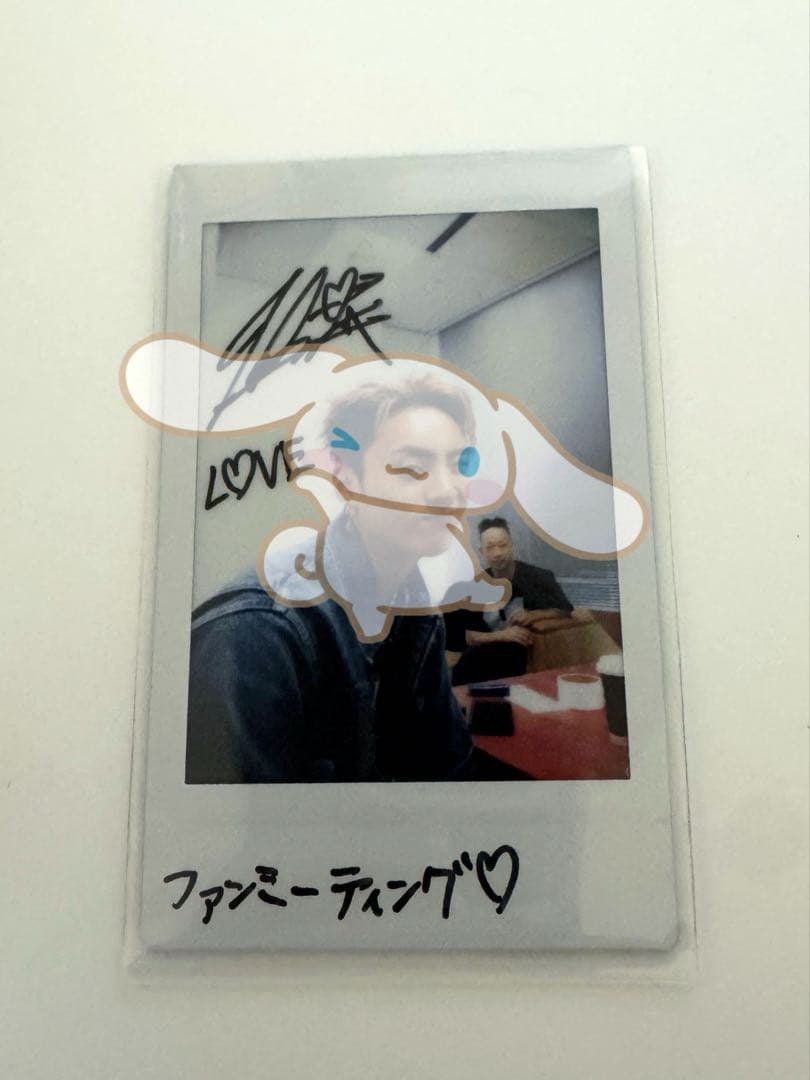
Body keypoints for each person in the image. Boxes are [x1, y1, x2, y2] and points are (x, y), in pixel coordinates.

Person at [186, 377, 521, 783]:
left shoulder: (416, 612)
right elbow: (244, 819)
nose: (447, 490)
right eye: (413, 467)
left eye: (458, 464)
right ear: (348, 480)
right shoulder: (259, 632)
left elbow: (447, 769)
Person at [444, 517, 573, 685]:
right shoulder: (477, 584)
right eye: (490, 547)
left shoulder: (538, 577)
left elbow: (565, 608)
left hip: (517, 653)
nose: (497, 553)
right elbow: (461, 634)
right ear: (482, 552)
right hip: (483, 653)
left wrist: (533, 615)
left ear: (512, 546)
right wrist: (501, 635)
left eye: (502, 545)